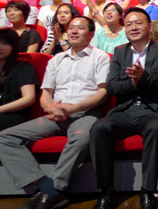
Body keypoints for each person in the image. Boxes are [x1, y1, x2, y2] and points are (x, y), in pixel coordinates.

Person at [0, 16, 110, 209]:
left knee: (83, 138)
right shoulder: (56, 60)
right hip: (55, 115)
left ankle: (56, 188)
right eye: (72, 27)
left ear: (91, 34)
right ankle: (47, 188)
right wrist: (50, 108)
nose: (74, 31)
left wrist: (73, 108)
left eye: (81, 28)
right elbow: (46, 94)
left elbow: (103, 93)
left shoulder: (100, 57)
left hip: (85, 114)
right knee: (4, 138)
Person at [90, 8, 158, 209]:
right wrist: (133, 83)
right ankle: (107, 191)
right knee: (98, 128)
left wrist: (144, 77)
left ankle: (147, 191)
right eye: (128, 24)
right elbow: (112, 87)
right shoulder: (120, 52)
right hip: (125, 110)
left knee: (155, 128)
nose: (133, 27)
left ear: (149, 26)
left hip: (153, 110)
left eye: (138, 23)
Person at [0, 28, 38, 131]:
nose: (0, 47)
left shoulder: (23, 67)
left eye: (4, 43)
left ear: (14, 46)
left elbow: (29, 98)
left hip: (13, 114)